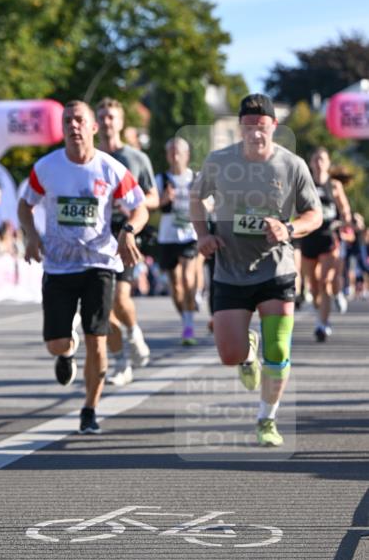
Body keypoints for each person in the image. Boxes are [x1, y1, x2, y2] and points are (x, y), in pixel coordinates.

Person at [190, 93, 322, 447]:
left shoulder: (292, 166)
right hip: (230, 269)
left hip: (276, 268)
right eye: (248, 128)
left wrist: (289, 229)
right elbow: (195, 197)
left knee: (277, 348)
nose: (255, 135)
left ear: (274, 126)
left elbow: (315, 214)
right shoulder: (219, 162)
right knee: (228, 355)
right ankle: (247, 352)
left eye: (262, 127)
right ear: (240, 128)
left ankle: (267, 417)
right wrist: (203, 235)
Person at [18, 100, 148, 435]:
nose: (73, 126)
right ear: (62, 129)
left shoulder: (110, 168)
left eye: (79, 120)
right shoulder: (47, 167)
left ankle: (90, 408)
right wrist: (31, 235)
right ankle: (66, 351)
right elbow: (24, 204)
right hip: (59, 268)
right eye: (67, 121)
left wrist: (128, 231)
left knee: (98, 340)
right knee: (57, 344)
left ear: (92, 127)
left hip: (100, 264)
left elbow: (140, 207)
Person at [95, 98, 159, 386]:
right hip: (95, 240)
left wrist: (131, 205)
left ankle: (133, 331)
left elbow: (154, 198)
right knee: (103, 306)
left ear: (120, 122)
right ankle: (121, 361)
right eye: (103, 117)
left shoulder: (135, 159)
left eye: (112, 117)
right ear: (96, 124)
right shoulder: (89, 159)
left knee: (120, 299)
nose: (108, 122)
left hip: (128, 236)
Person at [300, 147, 352, 341]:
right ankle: (321, 310)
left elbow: (344, 208)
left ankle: (322, 324)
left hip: (329, 235)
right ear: (311, 163)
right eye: (316, 159)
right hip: (308, 236)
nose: (319, 163)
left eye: (323, 159)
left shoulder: (334, 185)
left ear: (328, 163)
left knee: (325, 281)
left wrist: (345, 220)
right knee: (313, 287)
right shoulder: (305, 184)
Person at [156, 137, 199, 345]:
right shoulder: (160, 179)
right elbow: (152, 205)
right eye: (171, 152)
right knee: (175, 285)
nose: (175, 156)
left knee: (188, 278)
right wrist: (164, 199)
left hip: (190, 236)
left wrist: (200, 204)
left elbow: (210, 205)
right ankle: (186, 319)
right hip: (167, 237)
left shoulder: (196, 179)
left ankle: (189, 327)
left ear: (187, 155)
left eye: (178, 152)